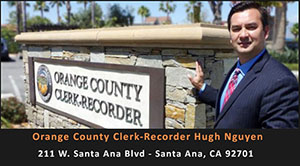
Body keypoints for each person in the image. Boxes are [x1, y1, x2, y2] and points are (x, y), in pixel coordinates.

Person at [188, 2, 299, 129]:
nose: (243, 34)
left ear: (266, 32)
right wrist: (202, 87)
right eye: (236, 29)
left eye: (251, 27)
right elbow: (234, 103)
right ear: (230, 36)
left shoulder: (281, 81)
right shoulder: (238, 68)